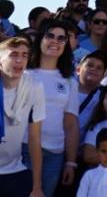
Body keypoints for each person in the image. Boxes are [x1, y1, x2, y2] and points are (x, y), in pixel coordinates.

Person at [28, 19, 81, 194]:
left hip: (54, 154)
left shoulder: (70, 81)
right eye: (50, 36)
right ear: (40, 39)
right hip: (23, 149)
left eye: (61, 38)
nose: (55, 42)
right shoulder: (23, 74)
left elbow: (71, 125)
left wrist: (71, 162)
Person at [0, 35, 46, 197]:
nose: (19, 60)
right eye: (13, 55)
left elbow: (34, 138)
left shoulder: (34, 87)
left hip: (14, 168)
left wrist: (37, 187)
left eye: (24, 55)